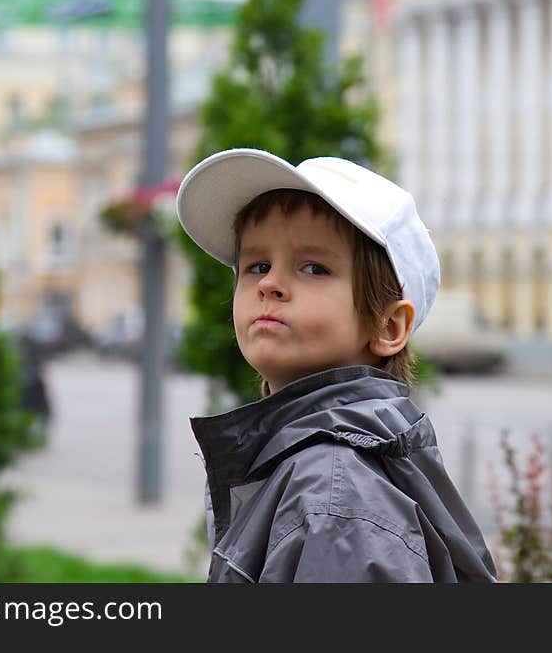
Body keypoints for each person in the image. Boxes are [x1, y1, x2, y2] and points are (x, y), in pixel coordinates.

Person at [176, 148, 497, 583]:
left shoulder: (335, 498)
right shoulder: (311, 466)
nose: (270, 284)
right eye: (257, 264)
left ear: (388, 326)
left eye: (313, 267)